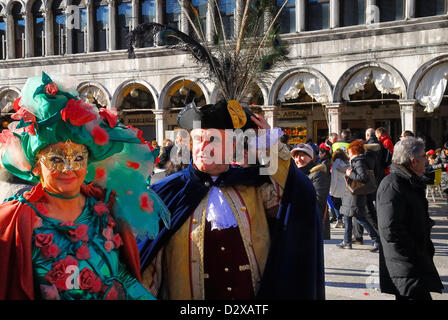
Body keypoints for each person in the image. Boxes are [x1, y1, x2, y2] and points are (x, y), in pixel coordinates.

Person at [0, 72, 170, 299]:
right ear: (37, 166)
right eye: (56, 159)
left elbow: (121, 278)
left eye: (78, 158)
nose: (68, 169)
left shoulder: (104, 208)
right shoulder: (16, 221)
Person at [138, 100, 325, 300]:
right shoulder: (167, 192)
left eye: (213, 140)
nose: (203, 147)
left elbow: (298, 197)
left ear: (232, 145)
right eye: (199, 139)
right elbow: (148, 266)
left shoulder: (254, 186)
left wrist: (271, 146)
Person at [376, 137, 443, 300]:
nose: (426, 161)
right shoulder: (392, 185)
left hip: (413, 261)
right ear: (413, 161)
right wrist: (414, 251)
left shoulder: (409, 181)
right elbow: (390, 230)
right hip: (405, 264)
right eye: (423, 157)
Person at [337, 140, 380, 252]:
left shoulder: (359, 161)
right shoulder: (356, 161)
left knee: (360, 218)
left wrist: (349, 173)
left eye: (349, 150)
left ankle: (377, 240)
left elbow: (363, 178)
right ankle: (346, 242)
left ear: (354, 150)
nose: (348, 152)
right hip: (352, 195)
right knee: (348, 218)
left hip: (354, 195)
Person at [291, 143, 331, 240]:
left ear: (311, 157)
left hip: (311, 224)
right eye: (296, 156)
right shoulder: (296, 173)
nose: (298, 159)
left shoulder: (318, 173)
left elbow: (318, 200)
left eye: (302, 155)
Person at [352, 128, 383, 245]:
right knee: (364, 209)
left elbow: (364, 172)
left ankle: (377, 236)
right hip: (377, 179)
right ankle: (358, 236)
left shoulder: (367, 151)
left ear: (367, 135)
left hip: (368, 183)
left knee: (366, 210)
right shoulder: (380, 146)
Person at [329, 149, 349, 229]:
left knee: (336, 205)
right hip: (347, 186)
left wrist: (331, 190)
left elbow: (334, 178)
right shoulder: (347, 163)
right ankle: (346, 221)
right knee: (345, 204)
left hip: (337, 187)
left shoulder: (335, 164)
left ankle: (340, 220)